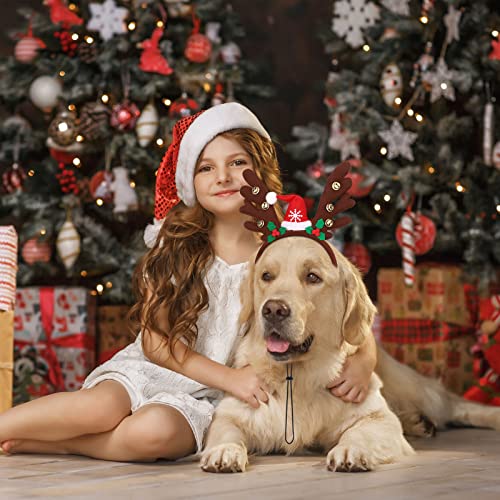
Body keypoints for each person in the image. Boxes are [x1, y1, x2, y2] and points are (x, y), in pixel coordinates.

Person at [0, 103, 377, 462]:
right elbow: (155, 343)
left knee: (154, 435)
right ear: (190, 182)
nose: (223, 177)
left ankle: (68, 447)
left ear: (261, 170)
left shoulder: (284, 251)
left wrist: (363, 362)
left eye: (238, 163)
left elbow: (345, 310)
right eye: (206, 169)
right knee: (100, 407)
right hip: (162, 369)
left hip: (215, 399)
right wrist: (230, 377)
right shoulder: (177, 247)